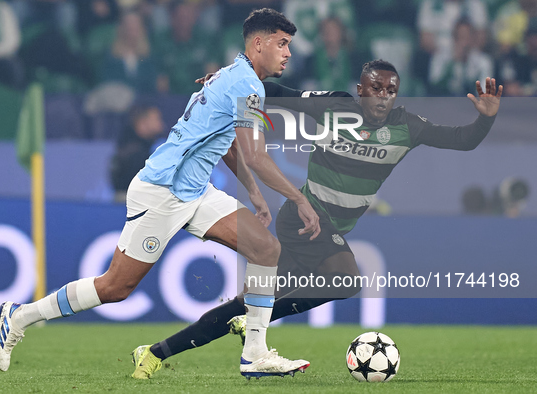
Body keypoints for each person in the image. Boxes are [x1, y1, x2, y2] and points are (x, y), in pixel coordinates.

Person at [0, 8, 321, 380]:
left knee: (266, 249)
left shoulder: (229, 77)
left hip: (195, 190)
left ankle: (255, 354)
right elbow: (256, 155)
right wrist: (299, 199)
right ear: (258, 43)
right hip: (162, 191)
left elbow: (228, 146)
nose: (288, 52)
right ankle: (19, 316)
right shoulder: (245, 85)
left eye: (289, 45)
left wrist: (252, 193)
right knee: (115, 287)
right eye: (282, 43)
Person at [132, 59, 503, 379]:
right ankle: (255, 318)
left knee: (244, 305)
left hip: (327, 229)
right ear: (360, 89)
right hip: (303, 217)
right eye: (375, 88)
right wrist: (225, 81)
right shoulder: (333, 107)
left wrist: (484, 120)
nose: (383, 96)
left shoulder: (409, 126)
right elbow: (278, 91)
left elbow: (462, 139)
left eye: (391, 90)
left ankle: (154, 353)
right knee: (345, 278)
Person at [109, 105, 165, 202]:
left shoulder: (151, 145)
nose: (161, 124)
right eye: (157, 119)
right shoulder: (131, 150)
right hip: (129, 202)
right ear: (143, 122)